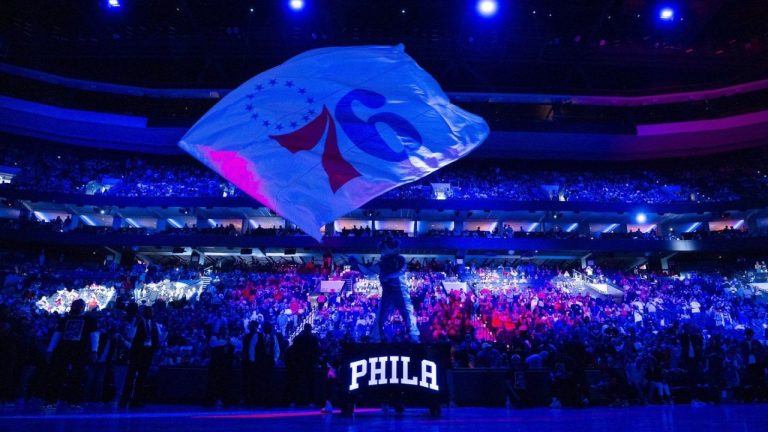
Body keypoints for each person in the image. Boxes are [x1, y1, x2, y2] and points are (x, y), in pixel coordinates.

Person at [354, 237, 420, 343]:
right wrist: (356, 264)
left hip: (400, 293)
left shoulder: (400, 259)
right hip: (387, 293)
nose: (382, 251)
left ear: (392, 248)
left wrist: (388, 276)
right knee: (380, 315)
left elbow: (401, 271)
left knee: (407, 314)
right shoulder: (382, 263)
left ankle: (414, 338)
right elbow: (368, 271)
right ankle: (376, 337)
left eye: (384, 248)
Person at [45, 299, 99, 409]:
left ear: (82, 307)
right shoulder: (65, 319)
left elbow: (94, 335)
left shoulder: (89, 320)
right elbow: (57, 334)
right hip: (64, 351)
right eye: (74, 305)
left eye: (77, 306)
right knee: (58, 375)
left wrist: (94, 350)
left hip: (80, 351)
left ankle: (74, 401)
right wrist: (50, 350)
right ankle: (53, 400)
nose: (74, 308)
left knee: (77, 376)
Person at [120, 306, 159, 408]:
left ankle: (137, 400)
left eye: (151, 312)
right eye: (149, 311)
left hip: (147, 352)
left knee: (142, 377)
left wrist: (155, 348)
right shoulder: (138, 322)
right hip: (137, 352)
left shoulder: (153, 323)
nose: (151, 313)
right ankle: (124, 400)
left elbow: (156, 337)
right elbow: (130, 335)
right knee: (131, 376)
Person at [291, 323, 320, 406]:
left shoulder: (298, 338)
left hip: (301, 363)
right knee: (308, 382)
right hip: (307, 363)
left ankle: (296, 400)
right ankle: (310, 400)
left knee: (299, 382)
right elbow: (316, 352)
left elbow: (294, 351)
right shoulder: (312, 339)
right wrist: (315, 361)